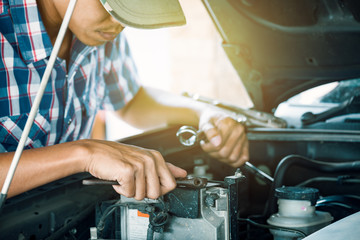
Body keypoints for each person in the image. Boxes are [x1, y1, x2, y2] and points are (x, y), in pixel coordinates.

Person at [0, 0, 248, 201]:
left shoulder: (99, 28)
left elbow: (130, 101)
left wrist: (204, 112)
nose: (120, 23)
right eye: (112, 6)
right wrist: (84, 154)